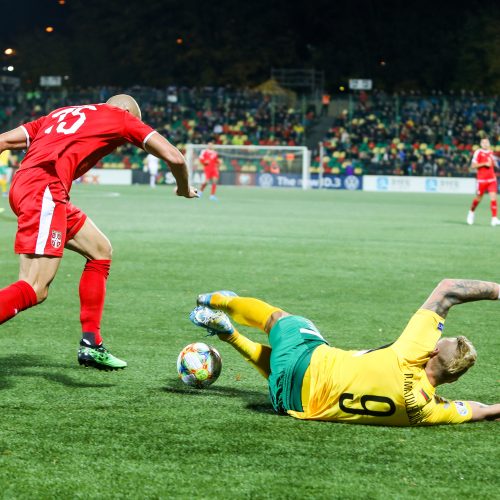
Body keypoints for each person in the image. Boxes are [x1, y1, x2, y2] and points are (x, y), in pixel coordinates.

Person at [0, 94, 198, 371]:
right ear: (128, 111)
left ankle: (91, 344)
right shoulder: (120, 117)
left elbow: (4, 141)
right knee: (34, 287)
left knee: (100, 251)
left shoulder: (60, 113)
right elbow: (175, 157)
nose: (119, 146)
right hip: (44, 191)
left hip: (28, 187)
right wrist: (183, 188)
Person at [190, 280, 500, 425]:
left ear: (431, 355)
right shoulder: (428, 411)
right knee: (289, 368)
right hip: (288, 404)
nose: (434, 343)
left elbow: (447, 290)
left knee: (281, 320)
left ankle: (214, 299)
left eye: (438, 345)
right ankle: (229, 333)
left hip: (305, 361)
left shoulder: (409, 355)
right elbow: (478, 409)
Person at [467, 137, 500, 226]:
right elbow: (473, 166)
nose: (485, 144)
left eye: (487, 142)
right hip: (482, 180)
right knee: (478, 198)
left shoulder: (492, 152)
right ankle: (471, 212)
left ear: (489, 143)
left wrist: (494, 164)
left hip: (492, 179)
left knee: (493, 198)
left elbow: (494, 164)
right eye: (483, 142)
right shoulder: (478, 152)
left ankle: (494, 218)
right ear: (481, 144)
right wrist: (484, 164)